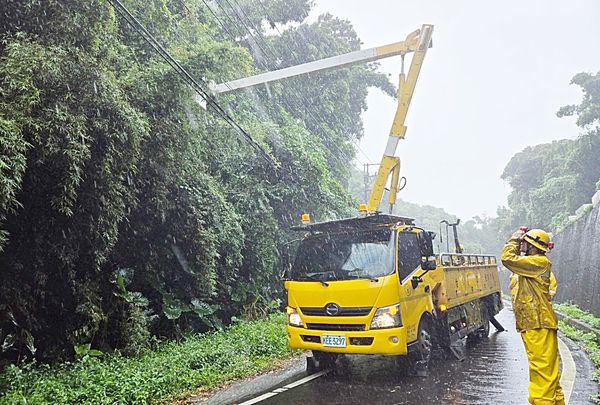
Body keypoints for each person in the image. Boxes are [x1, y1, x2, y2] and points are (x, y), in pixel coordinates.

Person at [501, 228, 564, 405]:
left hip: (539, 324)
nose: (522, 245)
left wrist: (513, 240)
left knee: (542, 373)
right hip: (533, 324)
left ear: (532, 246)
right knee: (547, 374)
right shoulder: (530, 264)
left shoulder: (538, 262)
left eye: (525, 243)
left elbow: (507, 259)